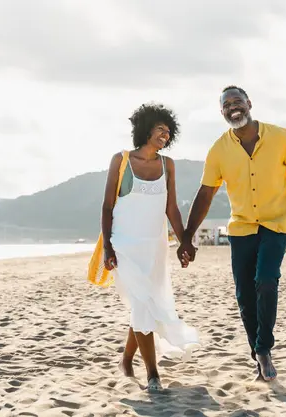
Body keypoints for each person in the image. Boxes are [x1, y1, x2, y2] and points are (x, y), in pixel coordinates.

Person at [177, 86, 286, 382]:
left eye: (237, 101)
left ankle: (263, 349)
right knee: (244, 295)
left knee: (265, 279)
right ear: (221, 112)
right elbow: (206, 193)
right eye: (227, 104)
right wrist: (187, 237)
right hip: (243, 226)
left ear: (249, 104)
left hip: (278, 221)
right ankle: (258, 354)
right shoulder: (218, 149)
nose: (233, 107)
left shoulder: (281, 137)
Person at [102, 103, 199, 391]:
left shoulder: (168, 165)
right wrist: (107, 246)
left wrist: (185, 242)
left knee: (145, 304)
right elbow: (107, 206)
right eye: (160, 129)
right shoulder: (121, 161)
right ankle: (153, 374)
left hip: (155, 248)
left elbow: (172, 208)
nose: (165, 136)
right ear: (145, 129)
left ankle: (126, 359)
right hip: (124, 245)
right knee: (143, 303)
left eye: (169, 132)